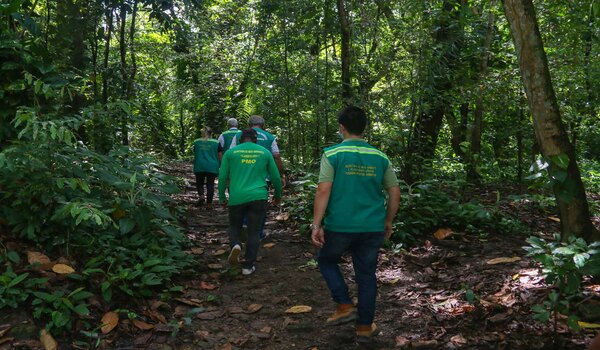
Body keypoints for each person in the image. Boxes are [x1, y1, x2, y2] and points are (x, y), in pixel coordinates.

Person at [310, 106, 400, 343]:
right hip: (371, 226)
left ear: (341, 127)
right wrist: (388, 221)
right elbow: (394, 190)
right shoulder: (380, 157)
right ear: (364, 127)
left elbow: (323, 189)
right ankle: (364, 328)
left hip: (340, 224)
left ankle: (344, 304)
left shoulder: (332, 154)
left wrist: (316, 224)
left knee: (326, 259)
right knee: (367, 275)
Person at [218, 128, 283, 276]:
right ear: (255, 140)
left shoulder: (230, 153)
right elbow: (276, 177)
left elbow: (222, 177)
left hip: (237, 197)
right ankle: (248, 266)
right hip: (258, 196)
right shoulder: (264, 152)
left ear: (240, 140)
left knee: (234, 226)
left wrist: (222, 197)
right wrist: (278, 195)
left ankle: (235, 245)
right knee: (254, 232)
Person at [230, 115, 286, 187]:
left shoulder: (238, 135)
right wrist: (281, 175)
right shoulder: (270, 137)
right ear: (263, 125)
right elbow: (276, 157)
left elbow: (231, 155)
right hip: (263, 177)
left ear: (249, 125)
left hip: (241, 176)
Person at [192, 127, 220, 209]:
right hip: (212, 166)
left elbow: (194, 151)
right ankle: (209, 204)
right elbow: (220, 154)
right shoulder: (216, 142)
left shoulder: (196, 141)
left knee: (199, 182)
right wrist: (221, 164)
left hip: (199, 165)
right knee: (210, 184)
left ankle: (201, 196)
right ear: (211, 133)